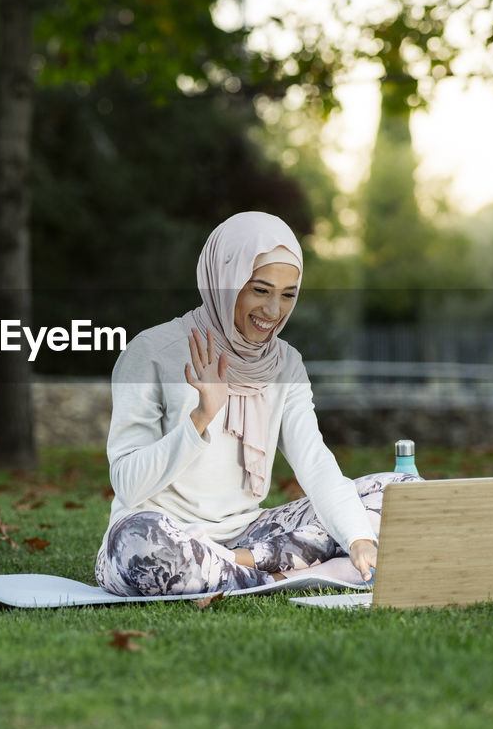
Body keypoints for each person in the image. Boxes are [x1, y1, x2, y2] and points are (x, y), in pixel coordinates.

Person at [94, 211, 424, 597]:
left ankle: (236, 568)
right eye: (260, 290)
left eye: (288, 295)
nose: (273, 311)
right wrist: (201, 418)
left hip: (252, 535)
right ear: (225, 283)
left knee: (403, 490)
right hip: (165, 535)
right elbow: (128, 485)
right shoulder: (151, 353)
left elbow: (314, 462)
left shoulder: (285, 363)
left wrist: (356, 538)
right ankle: (284, 576)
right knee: (138, 546)